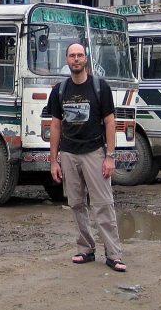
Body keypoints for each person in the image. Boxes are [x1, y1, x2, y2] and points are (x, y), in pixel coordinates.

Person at [48, 42, 126, 272]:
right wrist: (54, 160)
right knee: (77, 204)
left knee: (103, 204)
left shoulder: (100, 87)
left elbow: (110, 122)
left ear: (86, 59)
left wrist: (110, 156)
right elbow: (55, 125)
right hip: (69, 154)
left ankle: (114, 255)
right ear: (66, 60)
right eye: (72, 56)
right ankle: (85, 249)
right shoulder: (59, 90)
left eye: (80, 55)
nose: (76, 59)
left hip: (94, 153)